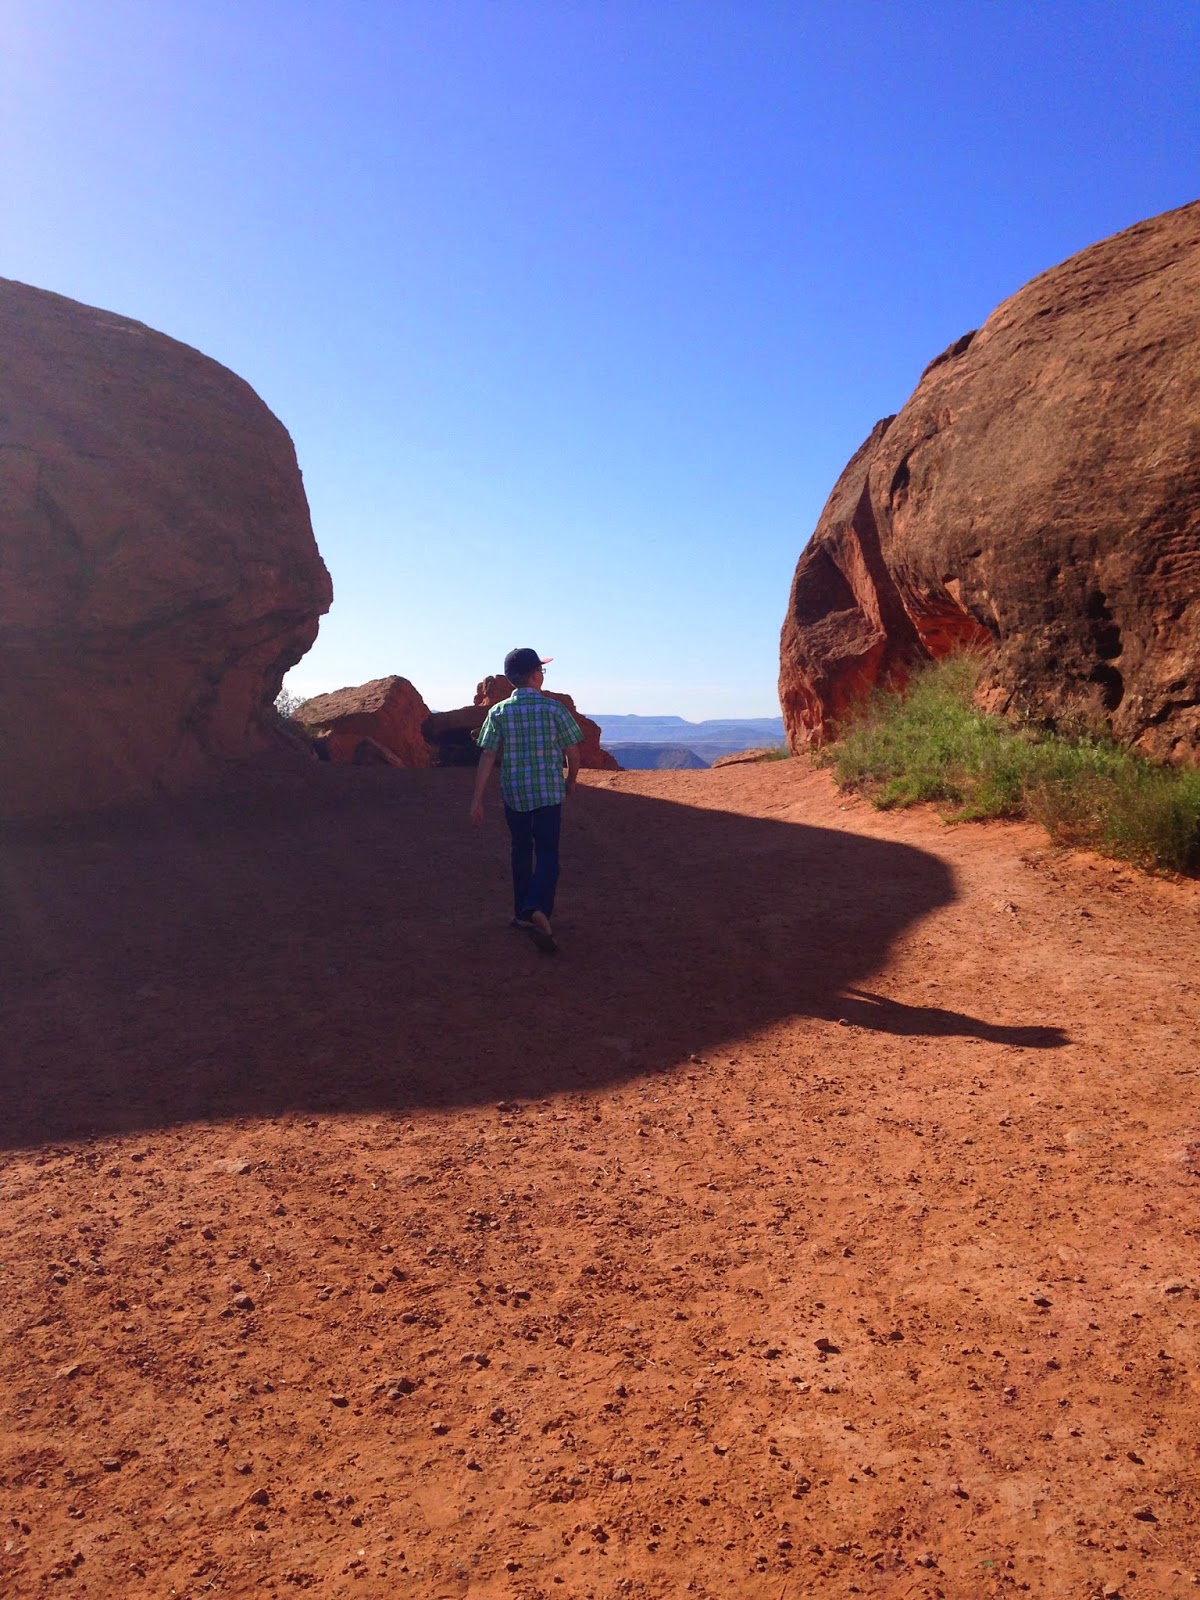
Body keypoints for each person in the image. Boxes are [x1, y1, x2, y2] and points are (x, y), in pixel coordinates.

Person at [469, 647, 583, 954]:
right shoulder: (554, 709)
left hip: (515, 792)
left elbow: (488, 754)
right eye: (541, 671)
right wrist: (571, 779)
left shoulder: (499, 712)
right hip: (548, 793)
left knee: (520, 849)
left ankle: (522, 914)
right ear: (535, 676)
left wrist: (477, 799)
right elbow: (572, 751)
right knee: (547, 852)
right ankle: (537, 908)